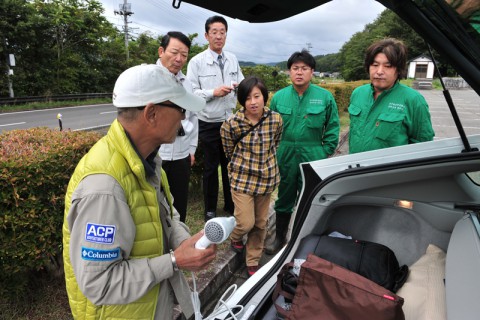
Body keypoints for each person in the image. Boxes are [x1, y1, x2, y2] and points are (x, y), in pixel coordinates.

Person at [62, 64, 217, 320]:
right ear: (152, 113)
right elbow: (99, 283)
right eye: (179, 108)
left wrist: (184, 241)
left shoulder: (147, 161)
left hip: (148, 306)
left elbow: (166, 217)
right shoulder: (104, 188)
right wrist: (174, 261)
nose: (183, 117)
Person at [265, 49, 340, 255]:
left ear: (312, 71)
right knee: (284, 197)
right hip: (285, 154)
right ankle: (280, 237)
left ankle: (301, 240)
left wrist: (324, 152)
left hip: (313, 153)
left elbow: (333, 128)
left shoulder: (324, 97)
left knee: (310, 198)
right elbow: (270, 128)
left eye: (304, 68)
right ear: (289, 71)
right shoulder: (279, 97)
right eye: (295, 68)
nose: (299, 72)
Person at [220, 76, 283, 276]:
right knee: (245, 222)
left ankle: (253, 260)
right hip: (242, 179)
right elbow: (228, 149)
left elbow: (276, 143)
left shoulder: (275, 120)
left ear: (265, 97)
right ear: (241, 101)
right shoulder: (232, 124)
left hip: (266, 179)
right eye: (248, 98)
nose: (253, 102)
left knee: (260, 223)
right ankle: (235, 237)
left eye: (257, 96)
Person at [187, 15, 245, 222]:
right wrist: (213, 92)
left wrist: (245, 92)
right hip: (208, 122)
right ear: (206, 35)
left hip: (229, 122)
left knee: (230, 165)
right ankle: (210, 208)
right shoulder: (196, 62)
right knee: (211, 167)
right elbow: (191, 93)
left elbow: (242, 84)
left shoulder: (233, 59)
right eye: (214, 32)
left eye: (222, 32)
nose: (219, 36)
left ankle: (230, 204)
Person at [348, 38, 435, 154]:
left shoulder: (413, 100)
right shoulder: (358, 93)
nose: (379, 71)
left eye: (387, 66)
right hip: (354, 168)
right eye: (374, 64)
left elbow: (423, 145)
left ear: (398, 70)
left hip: (389, 171)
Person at [156, 31, 198, 223]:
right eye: (174, 52)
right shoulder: (149, 79)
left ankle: (180, 241)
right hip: (155, 154)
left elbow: (194, 116)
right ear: (161, 51)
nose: (179, 59)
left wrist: (191, 149)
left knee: (179, 203)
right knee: (154, 203)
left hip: (181, 154)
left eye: (184, 55)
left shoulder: (187, 84)